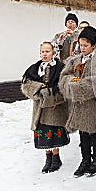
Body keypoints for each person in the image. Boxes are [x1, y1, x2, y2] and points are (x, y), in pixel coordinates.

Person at [59, 26, 96, 178]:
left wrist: (77, 86)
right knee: (83, 134)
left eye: (86, 45)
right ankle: (85, 160)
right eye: (81, 44)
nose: (83, 47)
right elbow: (64, 77)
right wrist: (70, 83)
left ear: (93, 45)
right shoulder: (74, 60)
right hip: (78, 106)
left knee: (94, 133)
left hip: (93, 105)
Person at [21, 41, 70, 173]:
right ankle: (48, 158)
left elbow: (63, 87)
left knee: (53, 130)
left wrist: (48, 94)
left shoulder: (60, 68)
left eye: (47, 51)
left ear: (53, 52)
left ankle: (56, 157)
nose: (44, 54)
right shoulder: (35, 68)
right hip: (40, 108)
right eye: (42, 51)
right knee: (43, 132)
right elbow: (26, 84)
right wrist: (37, 90)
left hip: (54, 107)